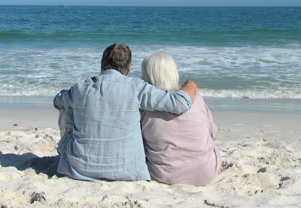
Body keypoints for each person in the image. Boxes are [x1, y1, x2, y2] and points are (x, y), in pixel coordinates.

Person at [53, 43, 198, 181]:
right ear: (128, 69)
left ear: (102, 65)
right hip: (129, 172)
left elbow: (57, 101)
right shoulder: (137, 87)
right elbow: (180, 103)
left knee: (67, 107)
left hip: (78, 170)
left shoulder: (81, 88)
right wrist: (191, 84)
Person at [141, 51, 221, 186]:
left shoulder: (145, 109)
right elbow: (213, 133)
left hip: (164, 176)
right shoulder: (196, 99)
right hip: (206, 173)